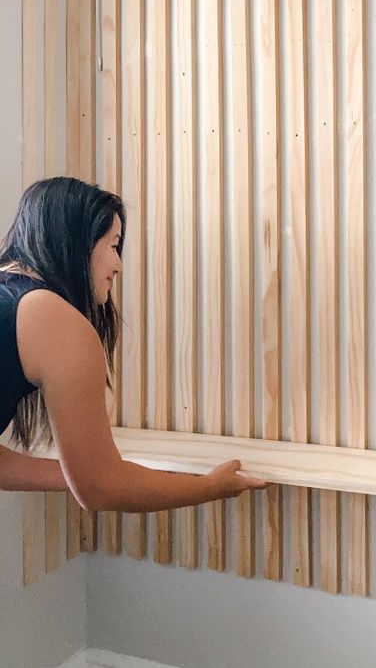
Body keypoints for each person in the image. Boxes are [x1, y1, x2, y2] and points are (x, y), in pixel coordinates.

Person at [0, 176, 266, 512]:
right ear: (76, 242)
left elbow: (92, 481)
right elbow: (101, 491)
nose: (118, 265)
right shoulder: (51, 318)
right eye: (113, 245)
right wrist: (212, 487)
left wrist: (92, 473)